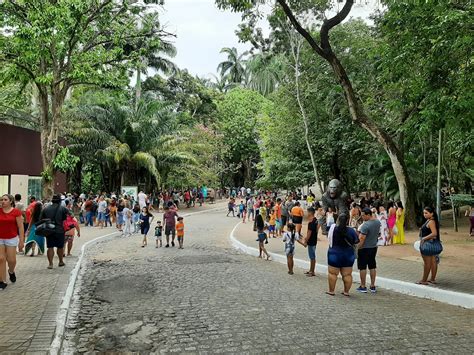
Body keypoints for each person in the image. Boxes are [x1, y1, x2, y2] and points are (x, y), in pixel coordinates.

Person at [326, 215, 359, 296]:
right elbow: (356, 242)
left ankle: (331, 291)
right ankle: (346, 291)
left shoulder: (333, 229)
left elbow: (328, 237)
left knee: (333, 273)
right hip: (348, 255)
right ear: (348, 221)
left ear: (338, 220)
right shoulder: (351, 231)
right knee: (347, 274)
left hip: (334, 254)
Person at [0, 194, 25, 290]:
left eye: (5, 199)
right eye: (1, 200)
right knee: (1, 259)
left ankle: (11, 271)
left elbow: (20, 227)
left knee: (11, 260)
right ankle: (2, 281)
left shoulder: (16, 212)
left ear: (11, 201)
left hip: (11, 238)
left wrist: (21, 241)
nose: (3, 201)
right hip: (0, 238)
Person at [357, 208, 381, 293]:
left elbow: (362, 238)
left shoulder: (365, 225)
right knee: (372, 266)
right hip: (373, 247)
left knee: (362, 267)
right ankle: (372, 285)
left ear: (368, 215)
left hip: (364, 248)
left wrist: (358, 248)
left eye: (363, 215)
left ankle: (363, 286)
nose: (362, 217)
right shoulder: (377, 222)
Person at [40, 194, 68, 270]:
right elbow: (65, 218)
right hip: (59, 230)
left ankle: (50, 264)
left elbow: (41, 219)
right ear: (59, 201)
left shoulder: (46, 209)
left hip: (49, 230)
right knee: (60, 247)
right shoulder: (63, 209)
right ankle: (61, 261)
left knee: (50, 247)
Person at [417, 206, 441, 285]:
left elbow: (434, 233)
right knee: (433, 262)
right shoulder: (432, 220)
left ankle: (424, 280)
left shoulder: (431, 221)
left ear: (432, 213)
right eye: (424, 213)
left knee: (427, 263)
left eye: (426, 213)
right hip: (433, 244)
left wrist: (423, 238)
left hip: (427, 244)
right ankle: (432, 279)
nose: (424, 214)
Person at [303, 207, 319, 277]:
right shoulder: (316, 220)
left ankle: (312, 271)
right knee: (312, 256)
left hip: (311, 241)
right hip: (314, 239)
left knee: (312, 257)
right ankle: (311, 270)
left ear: (310, 212)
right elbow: (317, 229)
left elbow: (309, 233)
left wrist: (306, 240)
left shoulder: (311, 222)